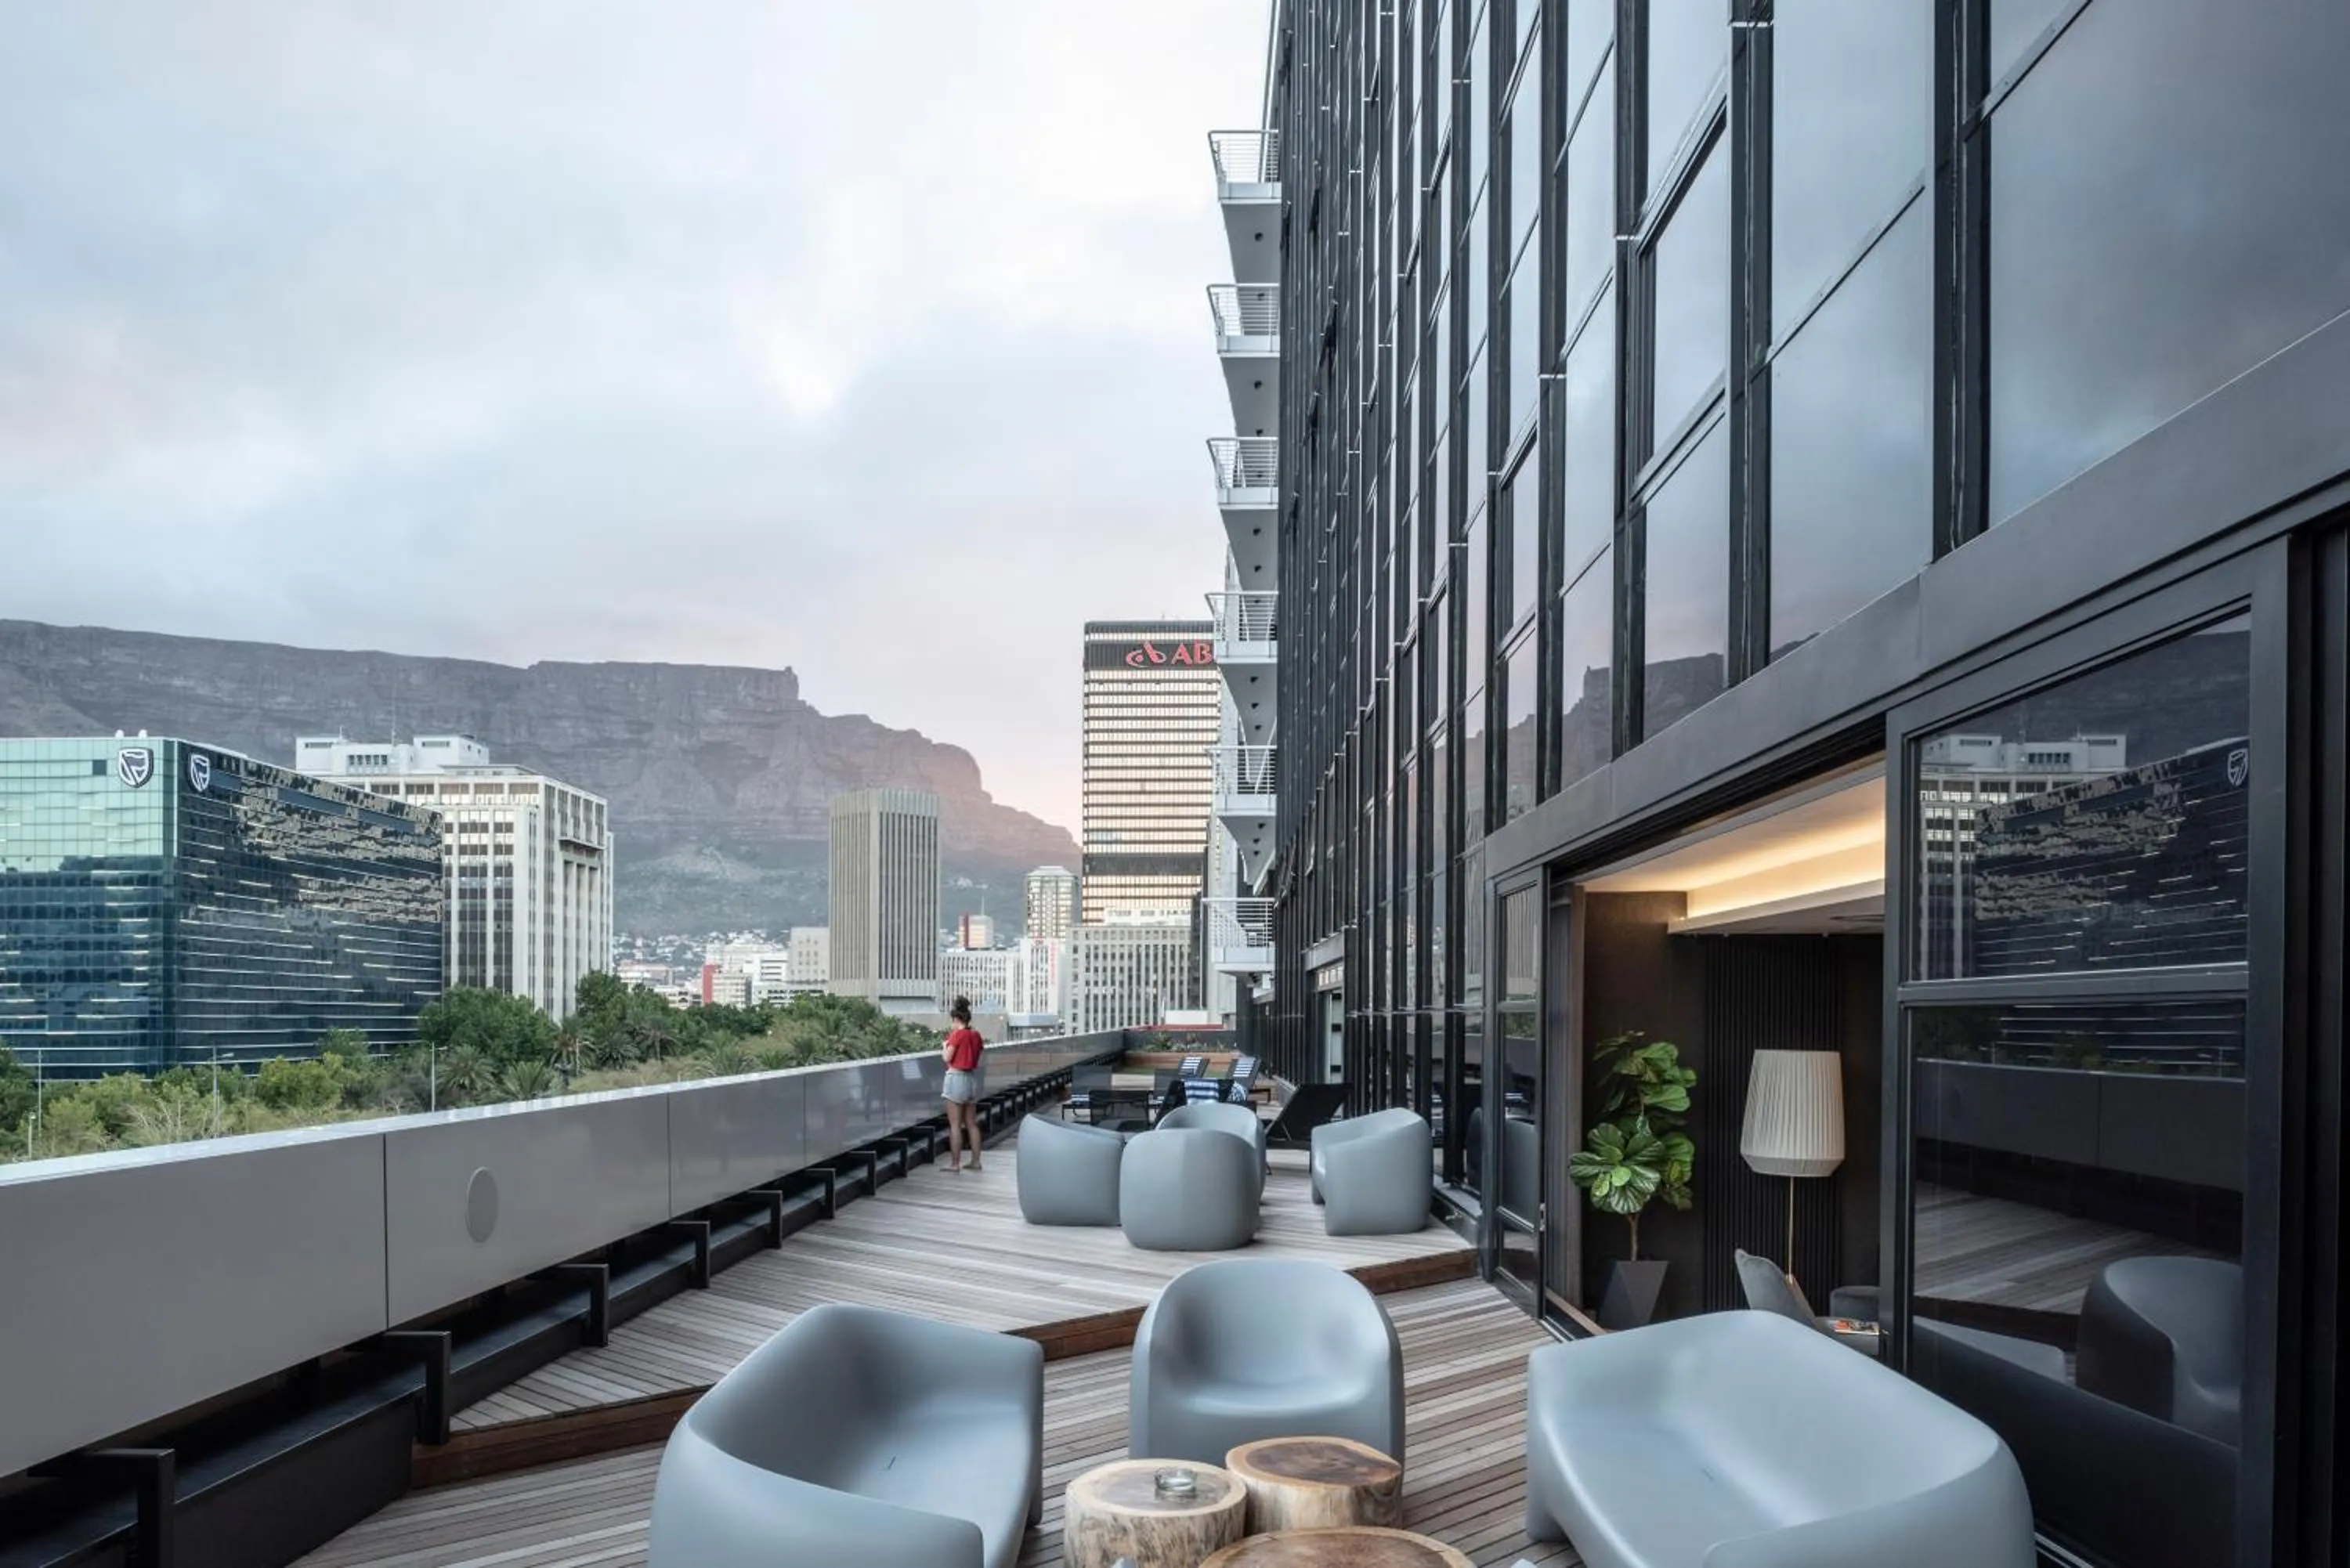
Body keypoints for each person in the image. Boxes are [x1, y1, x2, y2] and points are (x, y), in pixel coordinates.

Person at [940, 996, 986, 1172]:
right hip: (971, 1079)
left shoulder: (957, 1035)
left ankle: (955, 1164)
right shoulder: (975, 1035)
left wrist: (945, 1046)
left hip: (956, 1078)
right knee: (971, 1123)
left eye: (952, 1021)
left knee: (955, 1124)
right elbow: (978, 1052)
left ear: (956, 1019)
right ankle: (976, 1161)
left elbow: (947, 1058)